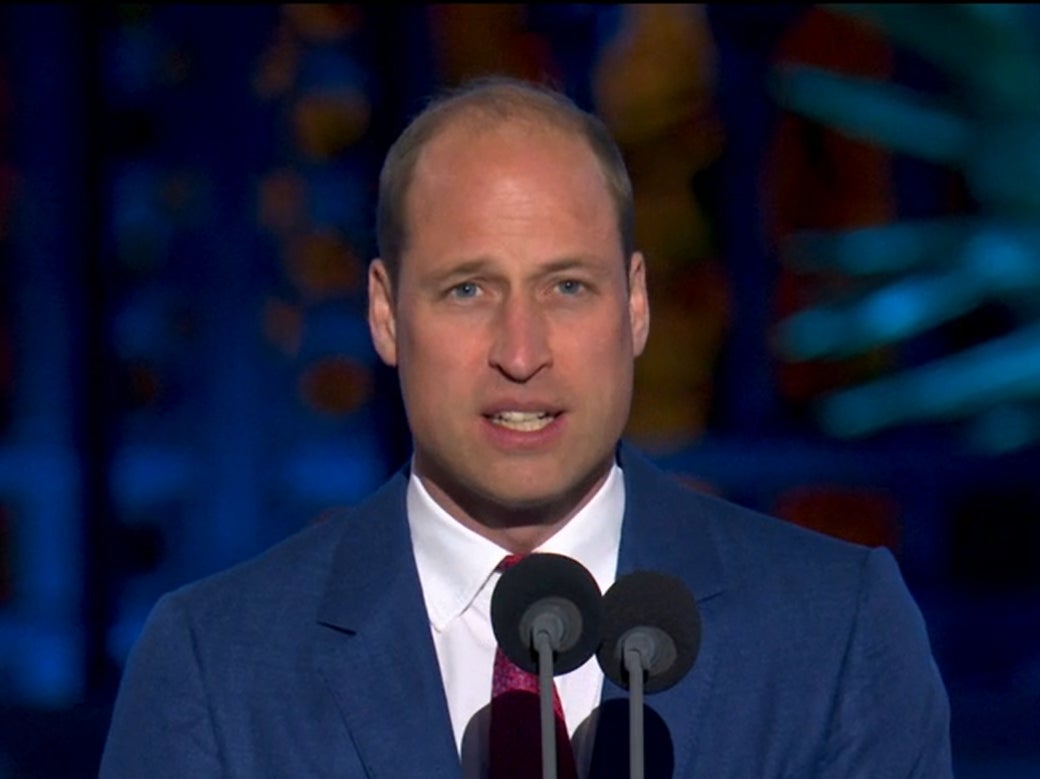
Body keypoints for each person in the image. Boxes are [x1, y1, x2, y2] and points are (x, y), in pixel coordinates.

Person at [99, 75, 952, 778]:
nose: (520, 351)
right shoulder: (217, 665)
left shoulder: (837, 634)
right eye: (468, 289)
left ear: (638, 304)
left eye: (567, 287)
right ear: (387, 315)